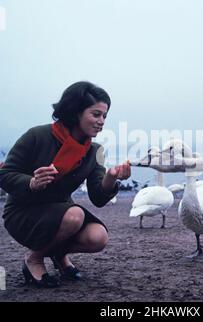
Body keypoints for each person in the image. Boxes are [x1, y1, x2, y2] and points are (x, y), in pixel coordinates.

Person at [0, 81, 131, 288]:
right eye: (96, 114)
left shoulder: (95, 150)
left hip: (62, 215)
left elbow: (97, 196)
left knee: (99, 237)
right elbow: (5, 174)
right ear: (76, 112)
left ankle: (57, 254)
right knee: (75, 215)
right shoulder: (37, 135)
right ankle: (34, 259)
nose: (102, 121)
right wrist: (31, 182)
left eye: (105, 116)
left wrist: (111, 177)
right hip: (23, 211)